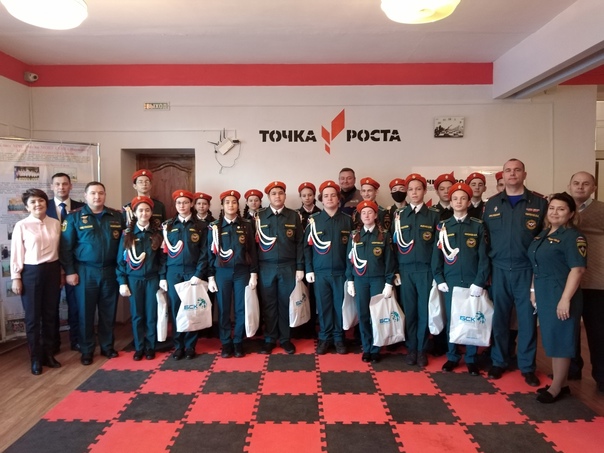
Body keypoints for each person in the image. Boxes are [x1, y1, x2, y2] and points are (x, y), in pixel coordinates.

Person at [482, 159, 547, 386]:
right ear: (502, 175)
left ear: (524, 174)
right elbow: (485, 239)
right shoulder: (491, 204)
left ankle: (527, 366)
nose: (512, 174)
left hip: (526, 270)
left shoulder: (539, 203)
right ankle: (498, 361)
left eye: (517, 170)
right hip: (498, 269)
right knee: (499, 319)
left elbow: (545, 239)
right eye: (508, 170)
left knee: (528, 321)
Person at [528, 193, 586, 403]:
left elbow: (577, 270)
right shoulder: (542, 234)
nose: (555, 212)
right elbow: (535, 265)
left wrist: (565, 299)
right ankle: (561, 383)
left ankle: (556, 388)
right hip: (544, 293)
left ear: (570, 213)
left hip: (561, 293)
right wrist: (533, 291)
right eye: (552, 208)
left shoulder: (573, 237)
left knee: (561, 339)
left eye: (561, 209)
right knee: (552, 338)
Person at [60, 181, 125, 365]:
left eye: (101, 193)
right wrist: (70, 271)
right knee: (85, 313)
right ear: (86, 196)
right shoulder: (74, 217)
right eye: (93, 193)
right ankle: (87, 349)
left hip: (110, 271)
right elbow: (65, 248)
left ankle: (107, 346)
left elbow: (124, 245)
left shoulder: (116, 216)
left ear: (105, 195)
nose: (97, 197)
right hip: (84, 271)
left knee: (108, 312)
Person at [432, 183, 490, 376]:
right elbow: (436, 256)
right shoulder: (443, 226)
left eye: (463, 198)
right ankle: (452, 356)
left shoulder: (478, 225)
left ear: (468, 202)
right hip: (451, 282)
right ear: (450, 201)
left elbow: (483, 257)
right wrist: (439, 278)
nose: (459, 202)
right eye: (455, 198)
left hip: (473, 282)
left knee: (472, 318)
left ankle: (471, 358)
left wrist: (480, 282)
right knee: (453, 320)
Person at [11, 189, 62, 375]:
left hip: (52, 270)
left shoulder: (55, 223)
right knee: (33, 318)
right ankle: (35, 358)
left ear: (46, 203)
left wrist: (61, 273)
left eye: (40, 201)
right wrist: (16, 277)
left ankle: (48, 354)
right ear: (27, 207)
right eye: (32, 202)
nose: (37, 204)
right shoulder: (21, 226)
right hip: (31, 272)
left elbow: (60, 250)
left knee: (50, 315)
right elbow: (17, 253)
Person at [392, 173, 440, 367]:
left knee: (424, 312)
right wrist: (395, 271)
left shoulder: (434, 215)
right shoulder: (399, 215)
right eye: (410, 189)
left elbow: (438, 247)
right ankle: (411, 348)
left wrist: (436, 273)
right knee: (409, 311)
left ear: (425, 190)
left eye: (418, 189)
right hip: (405, 271)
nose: (414, 193)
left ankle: (422, 349)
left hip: (425, 271)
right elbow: (394, 246)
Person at [255, 181, 304, 354]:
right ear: (269, 197)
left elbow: (300, 243)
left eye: (280, 193)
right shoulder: (259, 217)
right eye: (274, 193)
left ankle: (285, 339)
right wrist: (254, 271)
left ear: (285, 196)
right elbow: (254, 245)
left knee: (285, 304)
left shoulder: (293, 216)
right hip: (266, 267)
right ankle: (269, 338)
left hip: (287, 266)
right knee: (269, 304)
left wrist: (300, 267)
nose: (277, 196)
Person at [207, 190, 258, 358]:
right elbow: (210, 253)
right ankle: (226, 342)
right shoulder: (214, 227)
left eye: (234, 202)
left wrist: (253, 273)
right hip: (222, 272)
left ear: (238, 205)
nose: (231, 205)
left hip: (242, 272)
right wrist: (211, 276)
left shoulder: (246, 225)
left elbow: (252, 250)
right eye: (227, 202)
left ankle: (238, 341)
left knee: (241, 308)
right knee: (223, 309)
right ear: (222, 206)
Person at [305, 180, 354, 355]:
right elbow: (307, 247)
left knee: (340, 307)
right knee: (324, 307)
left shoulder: (347, 221)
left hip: (341, 273)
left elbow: (353, 250)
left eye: (333, 195)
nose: (330, 198)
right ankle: (325, 338)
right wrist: (309, 269)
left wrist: (350, 275)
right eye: (326, 196)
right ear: (321, 199)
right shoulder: (313, 221)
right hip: (321, 273)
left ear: (339, 198)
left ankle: (339, 338)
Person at [160, 190, 208, 360]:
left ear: (191, 204)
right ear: (175, 205)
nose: (182, 206)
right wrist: (162, 276)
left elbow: (204, 252)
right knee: (176, 309)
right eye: (179, 203)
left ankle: (190, 346)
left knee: (191, 308)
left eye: (186, 202)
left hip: (192, 272)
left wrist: (199, 273)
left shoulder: (201, 226)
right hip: (173, 272)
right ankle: (178, 345)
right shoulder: (167, 226)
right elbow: (163, 254)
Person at [116, 196, 166, 361]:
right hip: (133, 279)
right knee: (137, 315)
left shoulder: (157, 234)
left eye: (147, 210)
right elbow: (121, 260)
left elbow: (162, 259)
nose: (144, 213)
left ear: (151, 212)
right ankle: (139, 347)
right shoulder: (127, 235)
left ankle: (150, 347)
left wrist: (162, 278)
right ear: (135, 213)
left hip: (152, 279)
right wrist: (122, 282)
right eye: (140, 210)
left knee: (151, 314)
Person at [346, 200, 396, 363]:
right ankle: (367, 347)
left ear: (375, 215)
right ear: (360, 216)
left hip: (378, 280)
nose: (367, 215)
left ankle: (376, 348)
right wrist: (350, 280)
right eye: (363, 213)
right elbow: (349, 259)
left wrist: (389, 282)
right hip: (360, 280)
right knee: (363, 314)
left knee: (377, 315)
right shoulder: (354, 235)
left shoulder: (384, 235)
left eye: (370, 212)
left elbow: (389, 260)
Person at [567, 171, 604, 391]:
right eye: (576, 183)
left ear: (594, 188)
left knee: (598, 331)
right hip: (569, 281)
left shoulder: (601, 209)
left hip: (596, 281)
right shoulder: (563, 209)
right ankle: (572, 368)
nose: (580, 187)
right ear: (570, 186)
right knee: (570, 328)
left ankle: (601, 376)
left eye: (586, 183)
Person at [46, 172, 84, 353]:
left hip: (74, 264)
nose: (61, 187)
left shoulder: (81, 208)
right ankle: (53, 344)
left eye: (64, 184)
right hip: (50, 264)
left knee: (75, 305)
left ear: (70, 186)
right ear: (52, 187)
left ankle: (76, 340)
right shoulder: (43, 207)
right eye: (57, 184)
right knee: (50, 306)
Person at [296, 182, 321, 338]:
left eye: (310, 195)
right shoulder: (295, 215)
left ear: (314, 196)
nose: (307, 198)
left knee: (314, 294)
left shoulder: (320, 214)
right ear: (300, 197)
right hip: (301, 258)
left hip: (316, 258)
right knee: (300, 294)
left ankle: (312, 325)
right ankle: (300, 325)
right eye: (304, 195)